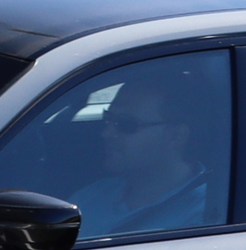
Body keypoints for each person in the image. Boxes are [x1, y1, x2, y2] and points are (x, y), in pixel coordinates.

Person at [70, 68, 216, 240]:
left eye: (125, 124)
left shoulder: (209, 217)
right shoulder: (92, 196)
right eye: (108, 118)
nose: (107, 133)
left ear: (176, 136)